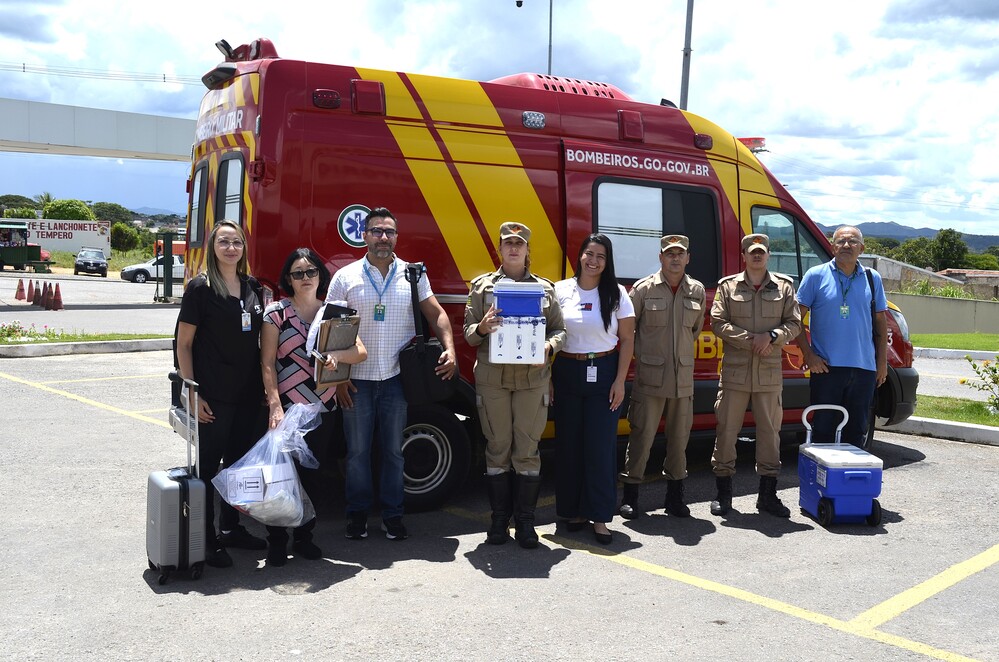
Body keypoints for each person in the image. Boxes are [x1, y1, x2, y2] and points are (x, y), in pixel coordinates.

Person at [317, 207, 457, 542]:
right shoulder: (345, 277)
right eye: (377, 231)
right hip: (357, 381)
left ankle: (393, 516)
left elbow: (436, 314)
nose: (383, 237)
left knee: (394, 452)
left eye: (389, 232)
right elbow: (329, 331)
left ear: (397, 237)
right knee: (357, 454)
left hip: (397, 380)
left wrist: (449, 347)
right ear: (364, 236)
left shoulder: (412, 275)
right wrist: (337, 380)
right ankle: (357, 516)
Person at [261, 248, 367, 566]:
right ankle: (277, 541)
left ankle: (304, 537)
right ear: (288, 279)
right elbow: (267, 364)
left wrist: (339, 358)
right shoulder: (275, 313)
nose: (305, 278)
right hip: (288, 411)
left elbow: (359, 351)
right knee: (280, 479)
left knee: (313, 478)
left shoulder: (334, 312)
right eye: (298, 273)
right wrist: (274, 406)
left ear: (320, 275)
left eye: (311, 272)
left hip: (322, 408)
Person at [465, 222, 566, 549]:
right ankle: (498, 522)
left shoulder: (546, 290)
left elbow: (559, 332)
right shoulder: (482, 288)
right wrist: (482, 327)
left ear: (527, 250)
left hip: (531, 381)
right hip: (493, 379)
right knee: (497, 449)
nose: (513, 248)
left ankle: (525, 523)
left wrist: (549, 348)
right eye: (507, 243)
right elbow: (468, 335)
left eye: (519, 244)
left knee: (526, 450)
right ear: (499, 249)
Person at [175, 219, 267, 568]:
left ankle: (231, 529)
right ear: (213, 248)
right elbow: (183, 344)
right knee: (209, 468)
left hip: (247, 394)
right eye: (224, 242)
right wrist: (192, 393)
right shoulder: (200, 289)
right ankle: (205, 537)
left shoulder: (252, 286)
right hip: (213, 395)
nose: (231, 248)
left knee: (239, 467)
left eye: (237, 242)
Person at [709, 234, 801, 517]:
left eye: (761, 252)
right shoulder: (728, 286)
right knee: (726, 432)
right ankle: (723, 495)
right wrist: (751, 339)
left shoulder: (784, 287)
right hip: (735, 372)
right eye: (752, 252)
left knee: (770, 434)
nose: (757, 256)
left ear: (769, 255)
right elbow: (717, 322)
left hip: (768, 373)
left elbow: (794, 323)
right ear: (744, 256)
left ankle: (767, 495)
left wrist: (772, 336)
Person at [552, 234, 635, 545]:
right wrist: (548, 375)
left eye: (600, 256)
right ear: (580, 255)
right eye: (589, 253)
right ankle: (573, 512)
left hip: (603, 372)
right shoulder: (560, 290)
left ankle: (600, 517)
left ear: (607, 261)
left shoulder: (617, 294)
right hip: (566, 371)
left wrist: (620, 381)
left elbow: (627, 340)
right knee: (569, 445)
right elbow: (549, 333)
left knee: (599, 448)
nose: (594, 260)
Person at [619, 235, 705, 519]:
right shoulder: (643, 290)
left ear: (689, 258)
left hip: (683, 379)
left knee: (679, 440)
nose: (675, 258)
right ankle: (631, 495)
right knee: (642, 437)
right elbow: (628, 332)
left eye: (680, 253)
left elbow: (693, 331)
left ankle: (675, 498)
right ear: (661, 257)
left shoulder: (697, 290)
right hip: (650, 379)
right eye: (670, 254)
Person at [796, 225, 888, 446]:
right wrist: (809, 355)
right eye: (841, 241)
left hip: (864, 369)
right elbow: (795, 320)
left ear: (862, 248)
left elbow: (880, 323)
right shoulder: (815, 276)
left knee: (856, 432)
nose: (847, 245)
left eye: (853, 241)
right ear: (832, 246)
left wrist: (881, 362)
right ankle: (823, 479)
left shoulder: (872, 278)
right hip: (826, 368)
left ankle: (851, 479)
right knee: (823, 431)